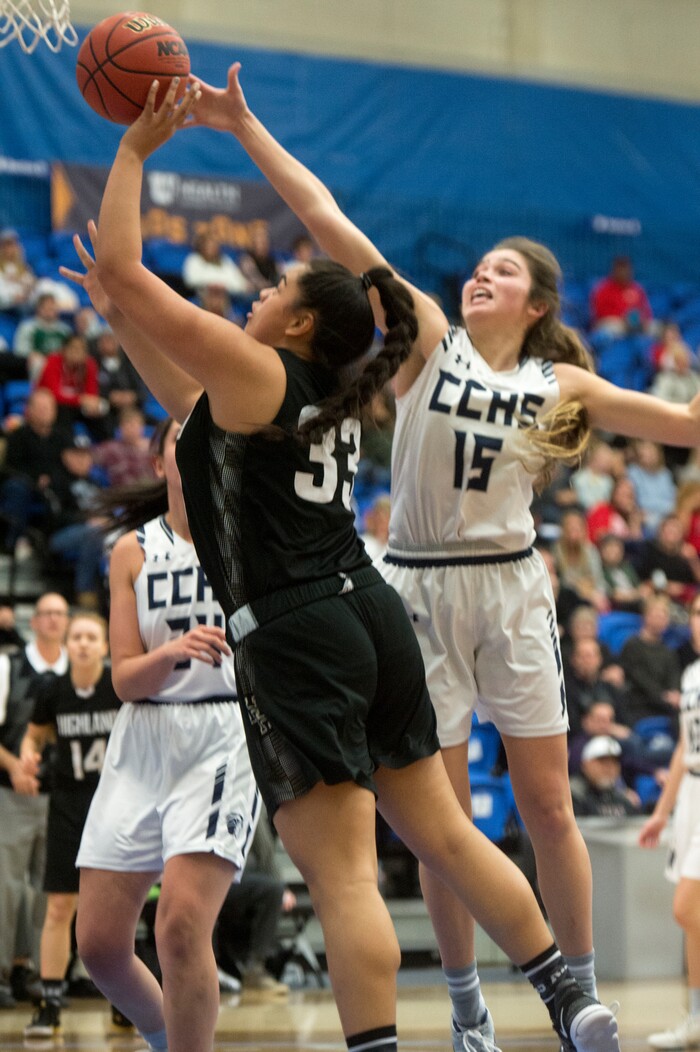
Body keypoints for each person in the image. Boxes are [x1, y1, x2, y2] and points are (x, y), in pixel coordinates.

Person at [60, 79, 620, 1052]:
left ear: (303, 324)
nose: (262, 292)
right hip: (370, 613)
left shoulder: (260, 371)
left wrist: (134, 151)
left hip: (295, 630)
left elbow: (122, 258)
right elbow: (178, 400)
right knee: (444, 832)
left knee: (349, 875)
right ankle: (572, 998)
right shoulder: (299, 387)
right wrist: (116, 313)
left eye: (275, 290)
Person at [168, 61, 700, 1052]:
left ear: (536, 302)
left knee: (543, 799)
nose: (480, 273)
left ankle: (577, 994)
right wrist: (244, 128)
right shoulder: (427, 343)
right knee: (439, 813)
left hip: (508, 585)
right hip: (408, 584)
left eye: (503, 270)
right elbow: (328, 218)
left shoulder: (563, 383)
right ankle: (465, 1009)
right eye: (479, 264)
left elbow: (681, 426)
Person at [73, 416, 259, 1052]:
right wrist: (174, 652)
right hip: (143, 736)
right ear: (159, 465)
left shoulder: (249, 535)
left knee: (179, 926)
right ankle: (165, 1039)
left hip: (223, 732)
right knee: (98, 947)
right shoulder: (133, 550)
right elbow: (124, 678)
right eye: (182, 441)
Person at [20, 612, 120, 1039]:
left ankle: (124, 999)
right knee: (60, 907)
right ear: (67, 642)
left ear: (104, 646)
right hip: (67, 805)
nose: (81, 643)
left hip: (116, 806)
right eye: (76, 636)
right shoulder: (53, 690)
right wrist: (28, 754)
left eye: (90, 637)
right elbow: (34, 735)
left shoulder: (119, 687)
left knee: (119, 909)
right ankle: (51, 1001)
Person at [0, 592, 69, 1009]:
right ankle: (3, 972)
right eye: (45, 614)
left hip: (62, 796)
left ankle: (46, 978)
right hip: (12, 792)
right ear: (35, 621)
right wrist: (11, 766)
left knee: (54, 892)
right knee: (7, 887)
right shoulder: (8, 665)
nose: (52, 621)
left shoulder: (81, 672)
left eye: (60, 614)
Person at [639, 653, 700, 1049]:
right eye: (694, 613)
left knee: (686, 907)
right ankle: (696, 1015)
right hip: (692, 796)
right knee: (691, 916)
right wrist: (662, 811)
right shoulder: (691, 673)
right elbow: (683, 746)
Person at [618, 595, 682, 727]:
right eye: (657, 616)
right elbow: (639, 678)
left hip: (667, 707)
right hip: (640, 706)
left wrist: (675, 693)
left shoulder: (668, 650)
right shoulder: (632, 646)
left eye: (664, 617)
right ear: (645, 616)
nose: (661, 620)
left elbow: (674, 675)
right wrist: (663, 696)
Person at [569, 736, 641, 818]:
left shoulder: (624, 799)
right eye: (602, 761)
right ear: (585, 764)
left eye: (614, 762)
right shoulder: (572, 796)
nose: (609, 768)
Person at [589, 256, 654, 335]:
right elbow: (598, 315)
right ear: (614, 271)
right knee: (611, 327)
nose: (624, 273)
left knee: (658, 329)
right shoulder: (603, 289)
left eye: (626, 269)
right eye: (621, 270)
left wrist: (640, 318)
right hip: (613, 324)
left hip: (635, 325)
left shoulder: (637, 289)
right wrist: (622, 318)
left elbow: (646, 313)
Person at [182, 230, 251, 299]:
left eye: (214, 244)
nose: (211, 247)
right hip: (201, 300)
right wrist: (214, 284)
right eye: (208, 244)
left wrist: (223, 286)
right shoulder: (194, 259)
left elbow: (240, 285)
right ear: (201, 246)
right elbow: (191, 280)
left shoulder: (225, 261)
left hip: (227, 300)